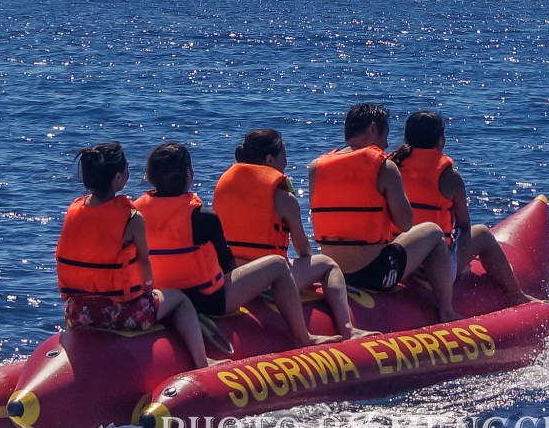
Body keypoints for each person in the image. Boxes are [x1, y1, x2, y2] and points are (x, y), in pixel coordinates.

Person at [137, 141, 337, 349]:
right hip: (209, 300)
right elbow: (227, 265)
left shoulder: (136, 214)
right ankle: (302, 337)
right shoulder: (204, 217)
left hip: (163, 298)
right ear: (189, 174)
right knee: (278, 264)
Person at [54, 142, 212, 369]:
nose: (130, 170)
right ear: (118, 178)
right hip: (121, 313)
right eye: (126, 167)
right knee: (180, 300)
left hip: (78, 313)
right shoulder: (131, 217)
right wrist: (149, 288)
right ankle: (202, 363)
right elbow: (144, 261)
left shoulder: (74, 210)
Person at [213, 128, 376, 338]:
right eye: (284, 154)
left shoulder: (224, 186)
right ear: (270, 159)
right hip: (268, 281)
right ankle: (347, 329)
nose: (286, 160)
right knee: (327, 263)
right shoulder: (284, 200)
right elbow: (304, 251)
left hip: (233, 279)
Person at [309, 102, 459, 322]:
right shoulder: (384, 166)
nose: (387, 143)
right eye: (385, 134)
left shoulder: (316, 167)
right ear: (372, 129)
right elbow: (406, 222)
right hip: (374, 276)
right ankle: (446, 310)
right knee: (434, 232)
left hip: (333, 272)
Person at [391, 110, 541, 304]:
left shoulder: (391, 167)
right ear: (440, 140)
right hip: (432, 268)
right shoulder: (449, 177)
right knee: (483, 234)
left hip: (397, 260)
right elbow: (464, 224)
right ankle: (517, 296)